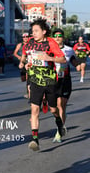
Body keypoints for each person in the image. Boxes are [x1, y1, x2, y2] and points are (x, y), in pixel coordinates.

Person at [18, 18, 66, 151]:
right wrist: (27, 64)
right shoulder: (29, 44)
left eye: (36, 31)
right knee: (34, 110)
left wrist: (49, 58)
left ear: (44, 31)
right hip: (35, 81)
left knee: (53, 109)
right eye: (32, 31)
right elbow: (28, 58)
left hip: (50, 81)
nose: (33, 33)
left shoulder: (51, 42)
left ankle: (59, 122)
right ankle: (35, 140)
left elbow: (62, 59)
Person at [52, 29, 79, 142]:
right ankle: (60, 122)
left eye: (59, 36)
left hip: (65, 81)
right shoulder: (49, 50)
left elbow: (74, 62)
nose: (57, 38)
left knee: (60, 105)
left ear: (63, 38)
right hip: (53, 81)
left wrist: (78, 66)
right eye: (55, 36)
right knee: (54, 109)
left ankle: (59, 132)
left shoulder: (69, 50)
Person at [13, 32, 31, 98]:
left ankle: (29, 93)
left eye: (27, 37)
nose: (25, 38)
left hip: (29, 63)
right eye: (24, 37)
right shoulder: (20, 45)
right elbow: (14, 53)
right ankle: (28, 91)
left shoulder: (31, 44)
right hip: (22, 62)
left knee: (28, 78)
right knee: (24, 79)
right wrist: (19, 57)